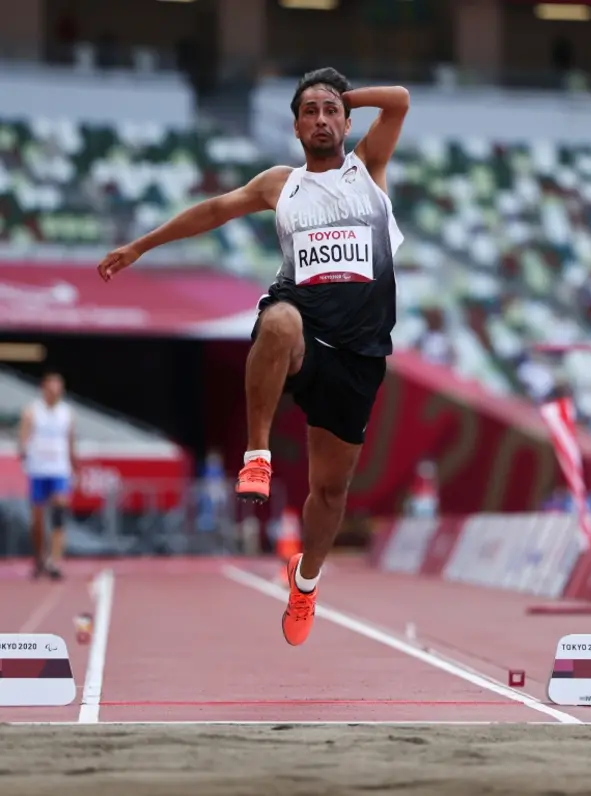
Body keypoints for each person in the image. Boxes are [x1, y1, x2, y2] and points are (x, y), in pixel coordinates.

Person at [97, 67, 409, 646]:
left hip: (359, 353)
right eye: (309, 111)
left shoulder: (369, 167)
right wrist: (141, 245)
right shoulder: (279, 184)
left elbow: (399, 100)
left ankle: (306, 583)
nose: (321, 119)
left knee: (330, 491)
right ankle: (257, 452)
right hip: (303, 330)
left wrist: (346, 94)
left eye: (330, 110)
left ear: (344, 118)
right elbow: (214, 210)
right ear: (295, 127)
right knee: (280, 317)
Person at [18, 372, 78, 580]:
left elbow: (71, 441)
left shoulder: (66, 413)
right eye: (52, 388)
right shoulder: (32, 411)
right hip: (38, 469)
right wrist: (24, 452)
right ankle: (39, 557)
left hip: (59, 469)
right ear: (44, 388)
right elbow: (23, 436)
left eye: (59, 389)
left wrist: (74, 465)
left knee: (59, 511)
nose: (56, 392)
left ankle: (55, 560)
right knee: (37, 519)